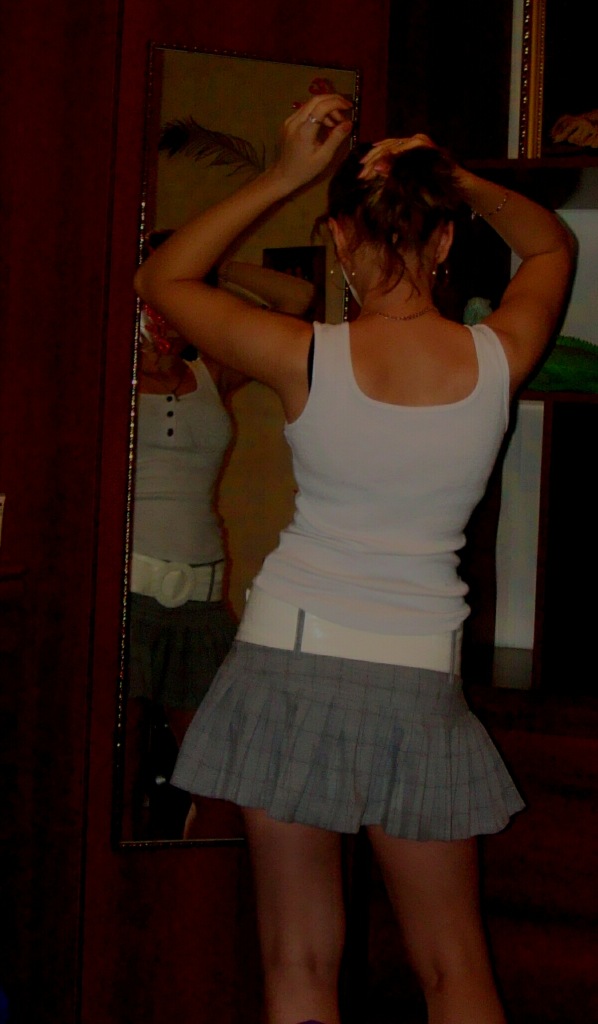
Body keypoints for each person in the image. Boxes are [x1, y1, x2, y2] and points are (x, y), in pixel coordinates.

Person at [134, 93, 575, 1023]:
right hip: (415, 675)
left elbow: (164, 277)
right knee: (454, 968)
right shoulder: (499, 356)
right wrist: (458, 179)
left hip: (286, 661)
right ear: (445, 241)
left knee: (299, 962)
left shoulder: (303, 354)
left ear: (339, 242)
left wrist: (284, 175)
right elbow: (550, 248)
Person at [127, 232, 315, 839]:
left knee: (223, 768)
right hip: (128, 595)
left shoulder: (213, 372)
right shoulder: (108, 377)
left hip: (201, 601)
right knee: (115, 772)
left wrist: (213, 268)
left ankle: (191, 874)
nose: (166, 322)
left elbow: (296, 300)